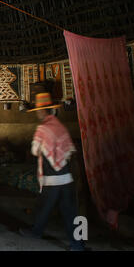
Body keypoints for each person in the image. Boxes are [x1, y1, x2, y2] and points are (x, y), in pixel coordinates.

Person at [19, 92, 85, 251]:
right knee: (70, 212)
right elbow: (68, 151)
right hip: (66, 176)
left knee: (43, 207)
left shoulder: (43, 128)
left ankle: (36, 232)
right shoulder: (61, 127)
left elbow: (35, 150)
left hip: (52, 178)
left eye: (37, 111)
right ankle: (78, 245)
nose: (37, 113)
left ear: (43, 111)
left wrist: (43, 148)